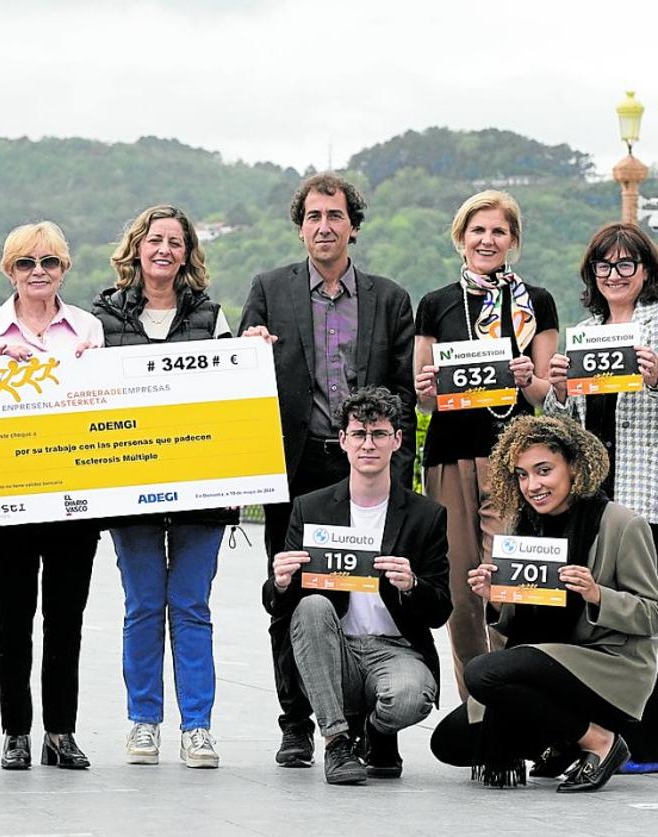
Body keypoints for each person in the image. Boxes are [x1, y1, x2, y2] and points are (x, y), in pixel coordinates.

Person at [239, 173, 417, 767]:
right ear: (300, 228)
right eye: (313, 216)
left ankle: (375, 726)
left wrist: (402, 476)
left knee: (374, 588)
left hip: (365, 468)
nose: (324, 226)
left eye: (335, 216)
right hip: (293, 467)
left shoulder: (389, 299)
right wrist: (249, 346)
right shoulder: (269, 289)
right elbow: (239, 378)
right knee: (289, 592)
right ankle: (295, 723)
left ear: (353, 226)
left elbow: (403, 399)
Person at [430, 415, 658, 792]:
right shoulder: (522, 526)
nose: (532, 486)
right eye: (521, 475)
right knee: (448, 743)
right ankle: (563, 740)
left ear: (573, 465)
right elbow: (518, 621)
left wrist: (596, 594)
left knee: (482, 673)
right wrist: (497, 598)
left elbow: (651, 614)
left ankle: (599, 741)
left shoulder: (622, 524)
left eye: (543, 471)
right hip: (544, 665)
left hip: (607, 666)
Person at [92, 204, 235, 768]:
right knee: (144, 606)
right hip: (130, 488)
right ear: (137, 247)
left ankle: (196, 727)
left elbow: (232, 396)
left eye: (176, 242)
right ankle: (143, 722)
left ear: (188, 254)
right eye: (155, 240)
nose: (164, 250)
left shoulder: (213, 316)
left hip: (202, 490)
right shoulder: (101, 319)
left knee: (191, 606)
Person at [0, 222, 103, 770]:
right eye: (26, 263)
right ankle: (16, 731)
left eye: (49, 262)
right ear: (10, 271)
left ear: (64, 268)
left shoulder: (88, 328)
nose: (38, 271)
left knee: (66, 620)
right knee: (13, 619)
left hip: (73, 498)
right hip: (11, 495)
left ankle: (61, 731)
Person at [265, 387, 451, 784]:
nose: (369, 444)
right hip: (335, 651)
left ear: (397, 440)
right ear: (344, 440)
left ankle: (377, 732)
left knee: (408, 700)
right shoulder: (310, 508)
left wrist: (412, 584)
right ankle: (336, 741)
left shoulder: (426, 515)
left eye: (379, 434)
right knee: (312, 607)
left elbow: (440, 610)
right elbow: (280, 607)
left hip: (396, 648)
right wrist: (279, 583)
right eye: (360, 434)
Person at [413, 190, 558, 700]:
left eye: (498, 231)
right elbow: (424, 399)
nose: (487, 239)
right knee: (458, 586)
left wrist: (526, 380)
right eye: (478, 230)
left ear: (513, 240)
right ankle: (477, 707)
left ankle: (514, 694)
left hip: (514, 456)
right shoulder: (435, 303)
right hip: (449, 455)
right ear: (461, 238)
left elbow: (548, 394)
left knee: (508, 580)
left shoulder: (535, 302)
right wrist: (426, 389)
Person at [544, 222, 658, 771]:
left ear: (646, 271)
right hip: (594, 499)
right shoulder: (584, 333)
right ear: (592, 274)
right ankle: (600, 733)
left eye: (626, 265)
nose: (615, 275)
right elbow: (562, 431)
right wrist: (558, 392)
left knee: (646, 617)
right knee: (596, 617)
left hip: (646, 496)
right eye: (604, 266)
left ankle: (651, 737)